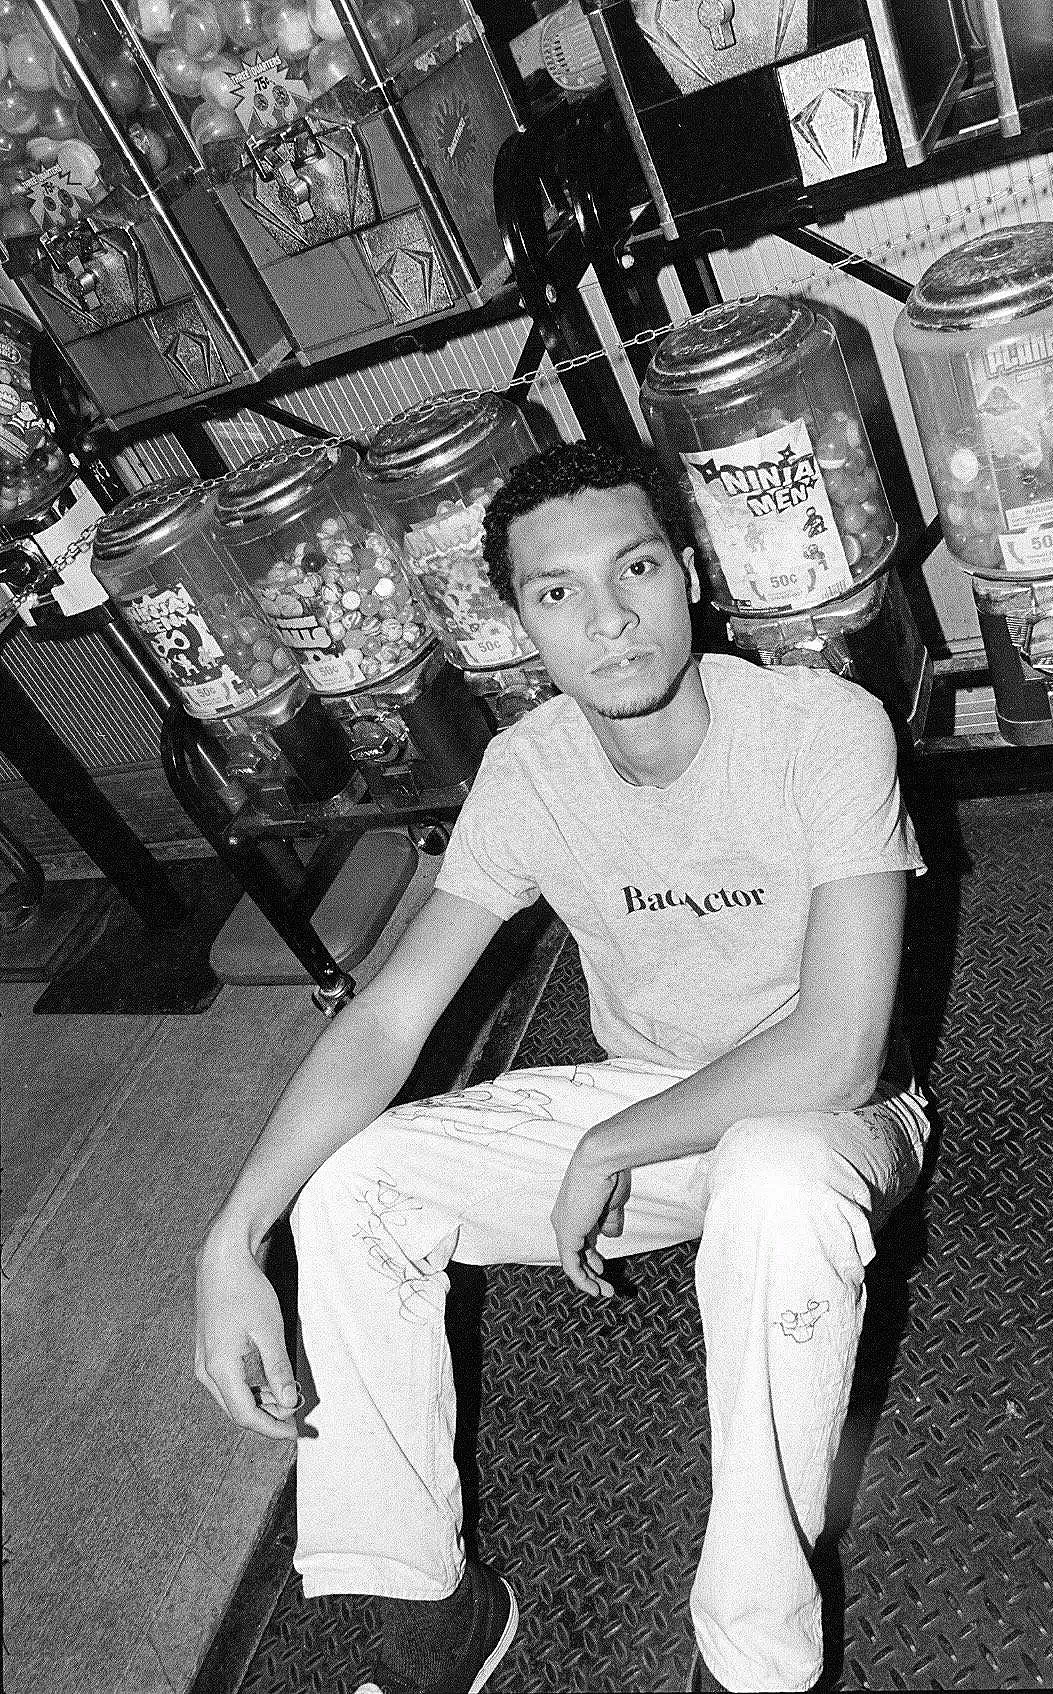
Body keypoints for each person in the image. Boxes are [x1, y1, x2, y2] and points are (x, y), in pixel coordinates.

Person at [194, 439, 929, 1694]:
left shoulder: (823, 726)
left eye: (635, 567)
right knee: (350, 1184)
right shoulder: (527, 770)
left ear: (688, 573)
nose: (609, 617)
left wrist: (609, 1145)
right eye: (556, 592)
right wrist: (230, 1236)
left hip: (828, 1118)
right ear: (522, 623)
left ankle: (754, 1656)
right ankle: (437, 1612)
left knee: (776, 1179)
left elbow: (840, 1043)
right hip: (642, 1100)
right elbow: (388, 1016)